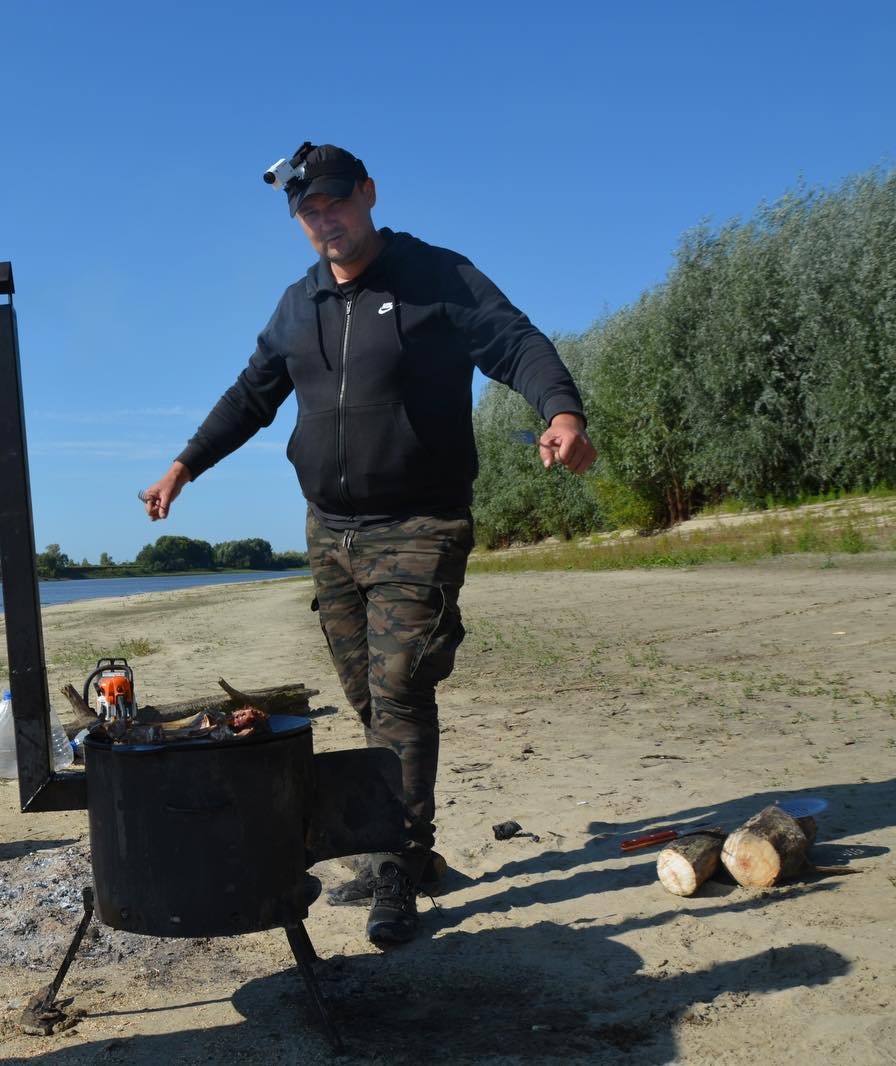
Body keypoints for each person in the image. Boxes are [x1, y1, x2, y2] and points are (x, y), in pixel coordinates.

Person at [140, 143, 596, 948]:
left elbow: (515, 343)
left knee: (401, 689)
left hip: (420, 522)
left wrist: (562, 413)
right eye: (310, 213)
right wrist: (185, 466)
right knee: (365, 697)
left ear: (368, 194)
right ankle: (405, 845)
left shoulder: (435, 277)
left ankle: (397, 867)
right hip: (331, 532)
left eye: (336, 205)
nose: (326, 223)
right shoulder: (299, 304)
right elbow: (251, 395)